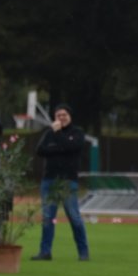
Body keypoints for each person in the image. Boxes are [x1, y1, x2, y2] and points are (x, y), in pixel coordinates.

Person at [31, 103, 90, 261]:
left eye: (64, 115)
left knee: (74, 217)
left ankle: (83, 252)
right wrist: (60, 147)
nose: (61, 118)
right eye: (58, 115)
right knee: (47, 217)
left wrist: (57, 138)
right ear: (54, 117)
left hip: (67, 181)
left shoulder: (77, 132)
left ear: (70, 116)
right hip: (49, 179)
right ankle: (45, 252)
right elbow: (40, 150)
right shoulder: (48, 133)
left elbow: (72, 147)